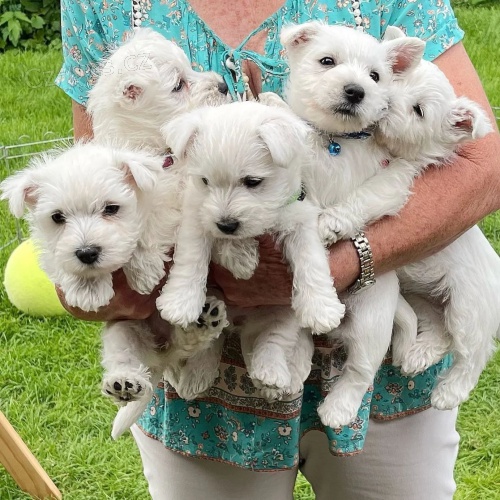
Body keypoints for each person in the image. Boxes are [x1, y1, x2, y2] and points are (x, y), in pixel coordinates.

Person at [56, 0, 500, 498]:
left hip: (383, 374)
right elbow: (98, 176)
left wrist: (347, 261)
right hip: (204, 394)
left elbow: (483, 167)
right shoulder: (104, 6)